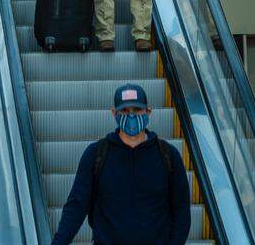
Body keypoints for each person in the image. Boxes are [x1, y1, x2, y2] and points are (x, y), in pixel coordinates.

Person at [51, 83, 191, 245]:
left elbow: (181, 211)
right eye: (124, 110)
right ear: (114, 113)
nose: (131, 116)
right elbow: (76, 207)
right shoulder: (96, 154)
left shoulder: (168, 155)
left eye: (137, 110)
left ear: (148, 111)